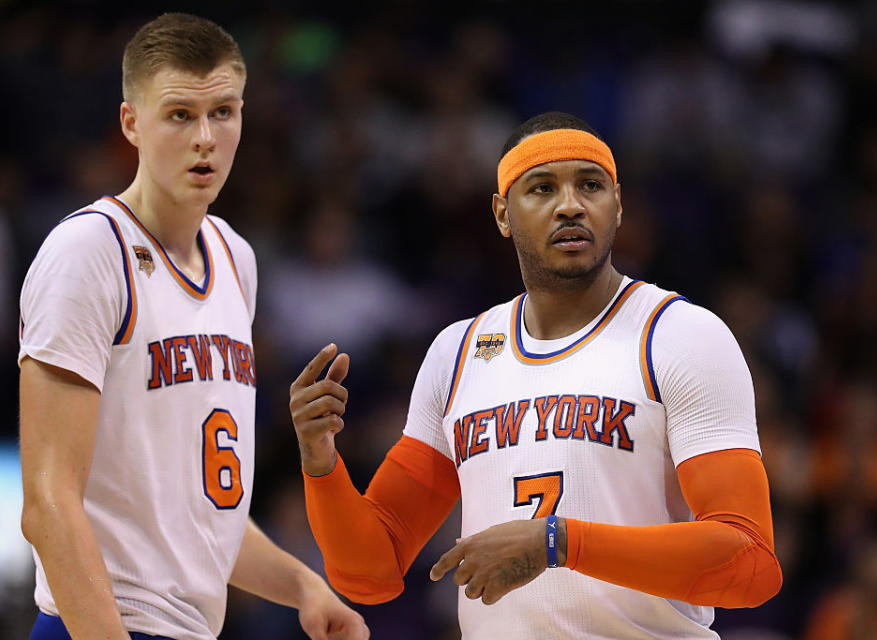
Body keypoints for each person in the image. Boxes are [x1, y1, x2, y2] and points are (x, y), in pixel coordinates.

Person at [290, 112, 783, 638]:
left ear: (617, 205)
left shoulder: (680, 334)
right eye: (542, 188)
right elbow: (371, 571)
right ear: (503, 213)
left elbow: (748, 563)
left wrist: (558, 542)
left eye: (589, 185)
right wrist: (320, 463)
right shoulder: (457, 352)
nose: (570, 205)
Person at [18, 13, 368, 640]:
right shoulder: (89, 253)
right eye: (180, 114)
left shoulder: (237, 258)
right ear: (132, 123)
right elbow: (47, 507)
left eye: (224, 112)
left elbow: (202, 515)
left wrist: (303, 586)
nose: (205, 137)